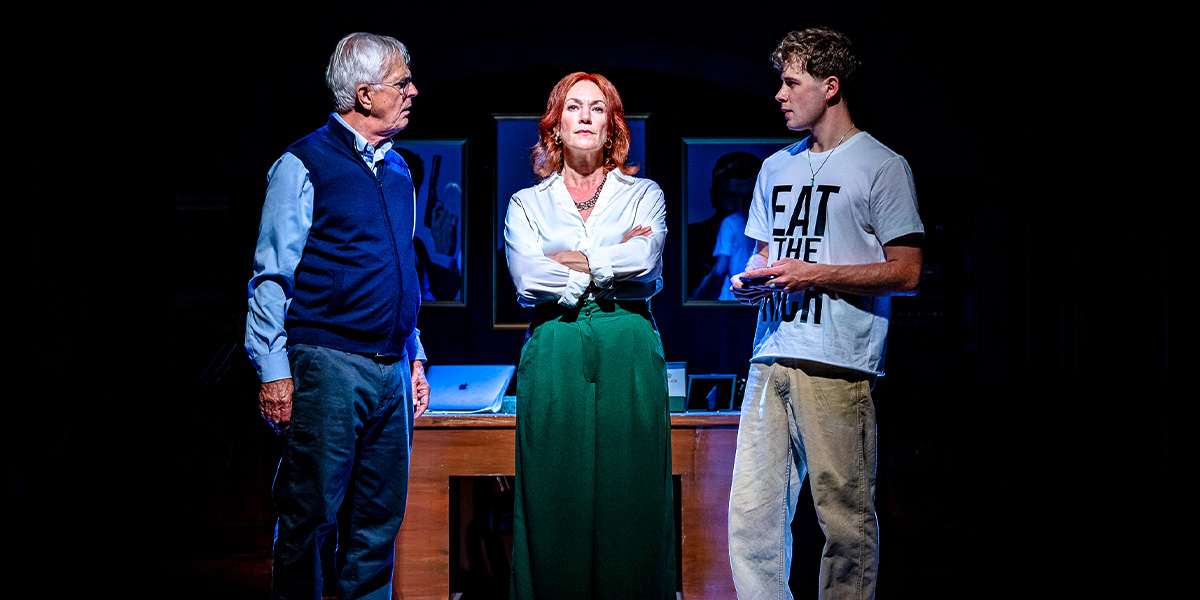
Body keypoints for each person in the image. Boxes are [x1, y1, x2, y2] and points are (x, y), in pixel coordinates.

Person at [727, 28, 924, 600]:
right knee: (752, 516)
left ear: (830, 86)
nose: (780, 94)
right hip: (770, 357)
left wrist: (814, 273)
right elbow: (765, 254)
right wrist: (752, 277)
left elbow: (907, 272)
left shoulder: (881, 165)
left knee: (844, 517)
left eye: (792, 83)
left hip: (839, 361)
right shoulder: (774, 167)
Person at [244, 32, 431, 600]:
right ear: (365, 94)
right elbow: (271, 276)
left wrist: (415, 355)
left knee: (378, 523)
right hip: (328, 363)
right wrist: (273, 372)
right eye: (402, 83)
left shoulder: (399, 172)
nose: (413, 91)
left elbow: (402, 270)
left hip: (391, 367)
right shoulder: (303, 163)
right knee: (309, 517)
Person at [503, 72, 675, 599]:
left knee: (633, 488)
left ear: (611, 126)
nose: (584, 116)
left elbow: (645, 263)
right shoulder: (527, 203)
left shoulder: (643, 193)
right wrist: (606, 262)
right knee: (553, 488)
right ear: (555, 126)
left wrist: (567, 260)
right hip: (555, 339)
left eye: (597, 108)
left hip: (628, 337)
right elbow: (527, 279)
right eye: (573, 107)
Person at [688, 151, 762, 301]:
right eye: (731, 197)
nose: (740, 207)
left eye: (749, 197)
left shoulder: (772, 237)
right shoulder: (688, 240)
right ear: (713, 196)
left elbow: (719, 270)